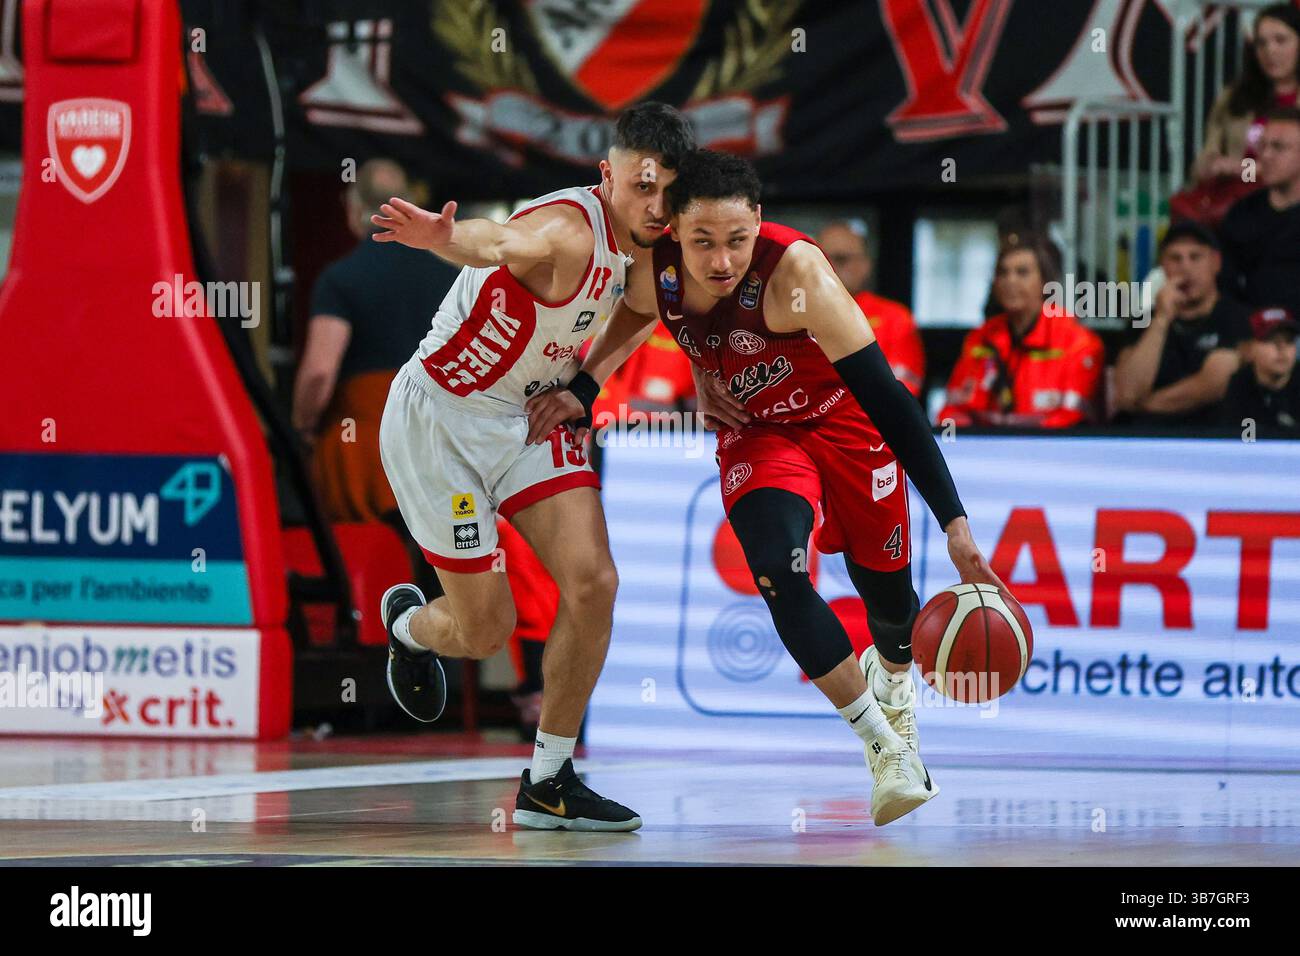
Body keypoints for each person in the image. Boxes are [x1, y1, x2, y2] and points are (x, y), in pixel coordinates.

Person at [528, 149, 1006, 827]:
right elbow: (637, 313)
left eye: (736, 241)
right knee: (779, 571)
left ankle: (893, 681)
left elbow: (889, 400)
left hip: (846, 421)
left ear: (759, 221)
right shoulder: (657, 269)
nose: (720, 260)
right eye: (701, 242)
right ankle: (884, 747)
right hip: (758, 431)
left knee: (891, 609)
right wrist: (586, 384)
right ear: (673, 232)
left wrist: (955, 522)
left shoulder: (800, 273)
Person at [369, 102, 696, 832]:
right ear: (606, 175)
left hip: (524, 416)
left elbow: (643, 310)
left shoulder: (652, 244)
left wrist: (586, 385)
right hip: (439, 428)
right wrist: (446, 236)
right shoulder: (566, 232)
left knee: (595, 582)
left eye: (667, 191)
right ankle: (410, 629)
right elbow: (497, 241)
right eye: (641, 188)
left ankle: (549, 780)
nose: (654, 206)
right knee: (486, 631)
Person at [292, 160, 459, 524]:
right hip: (442, 447)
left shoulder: (341, 278)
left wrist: (302, 428)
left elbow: (320, 373)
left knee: (371, 557)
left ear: (354, 208)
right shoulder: (454, 279)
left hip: (368, 451)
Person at [937, 235, 1104, 429]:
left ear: (1045, 282)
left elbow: (1071, 421)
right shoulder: (979, 339)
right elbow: (951, 413)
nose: (1011, 281)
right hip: (984, 453)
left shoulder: (1078, 342)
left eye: (1022, 272)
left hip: (1052, 454)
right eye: (1003, 272)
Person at [1113, 221, 1252, 426]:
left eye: (1195, 257)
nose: (1185, 267)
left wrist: (1142, 404)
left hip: (1212, 438)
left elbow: (1211, 385)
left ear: (1216, 263)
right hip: (1146, 441)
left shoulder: (1239, 319)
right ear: (1163, 266)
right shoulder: (1142, 321)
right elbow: (1127, 393)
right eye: (1175, 258)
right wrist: (1161, 319)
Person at [1190, 5, 1299, 194]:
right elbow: (1205, 159)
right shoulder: (1234, 95)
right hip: (1232, 205)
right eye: (1261, 43)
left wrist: (1244, 169)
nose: (1270, 51)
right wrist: (1211, 165)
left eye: (1280, 40)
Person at [816, 220, 926, 397]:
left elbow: (902, 392)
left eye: (840, 259)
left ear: (864, 265)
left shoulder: (895, 318)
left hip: (870, 422)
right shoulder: (792, 316)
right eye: (820, 259)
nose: (828, 267)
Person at [1220, 106, 1300, 316]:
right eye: (1262, 146)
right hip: (1249, 335)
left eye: (1278, 147)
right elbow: (1225, 286)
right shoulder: (1242, 213)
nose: (1265, 155)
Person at [1217, 307, 1300, 432]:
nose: (1282, 348)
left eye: (1289, 341)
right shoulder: (1239, 387)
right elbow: (1240, 443)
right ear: (1250, 348)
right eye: (1271, 340)